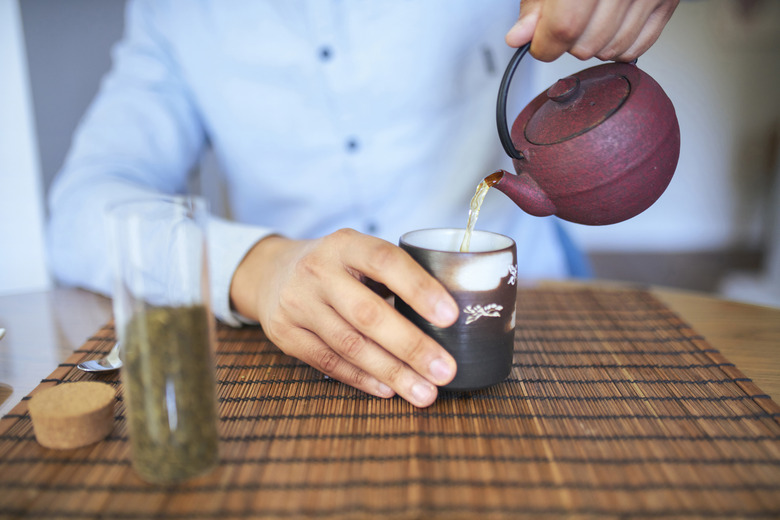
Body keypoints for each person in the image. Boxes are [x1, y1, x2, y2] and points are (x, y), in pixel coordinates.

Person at [47, 0, 679, 408]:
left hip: (540, 323)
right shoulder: (173, 15)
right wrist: (257, 267)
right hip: (303, 352)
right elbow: (79, 211)